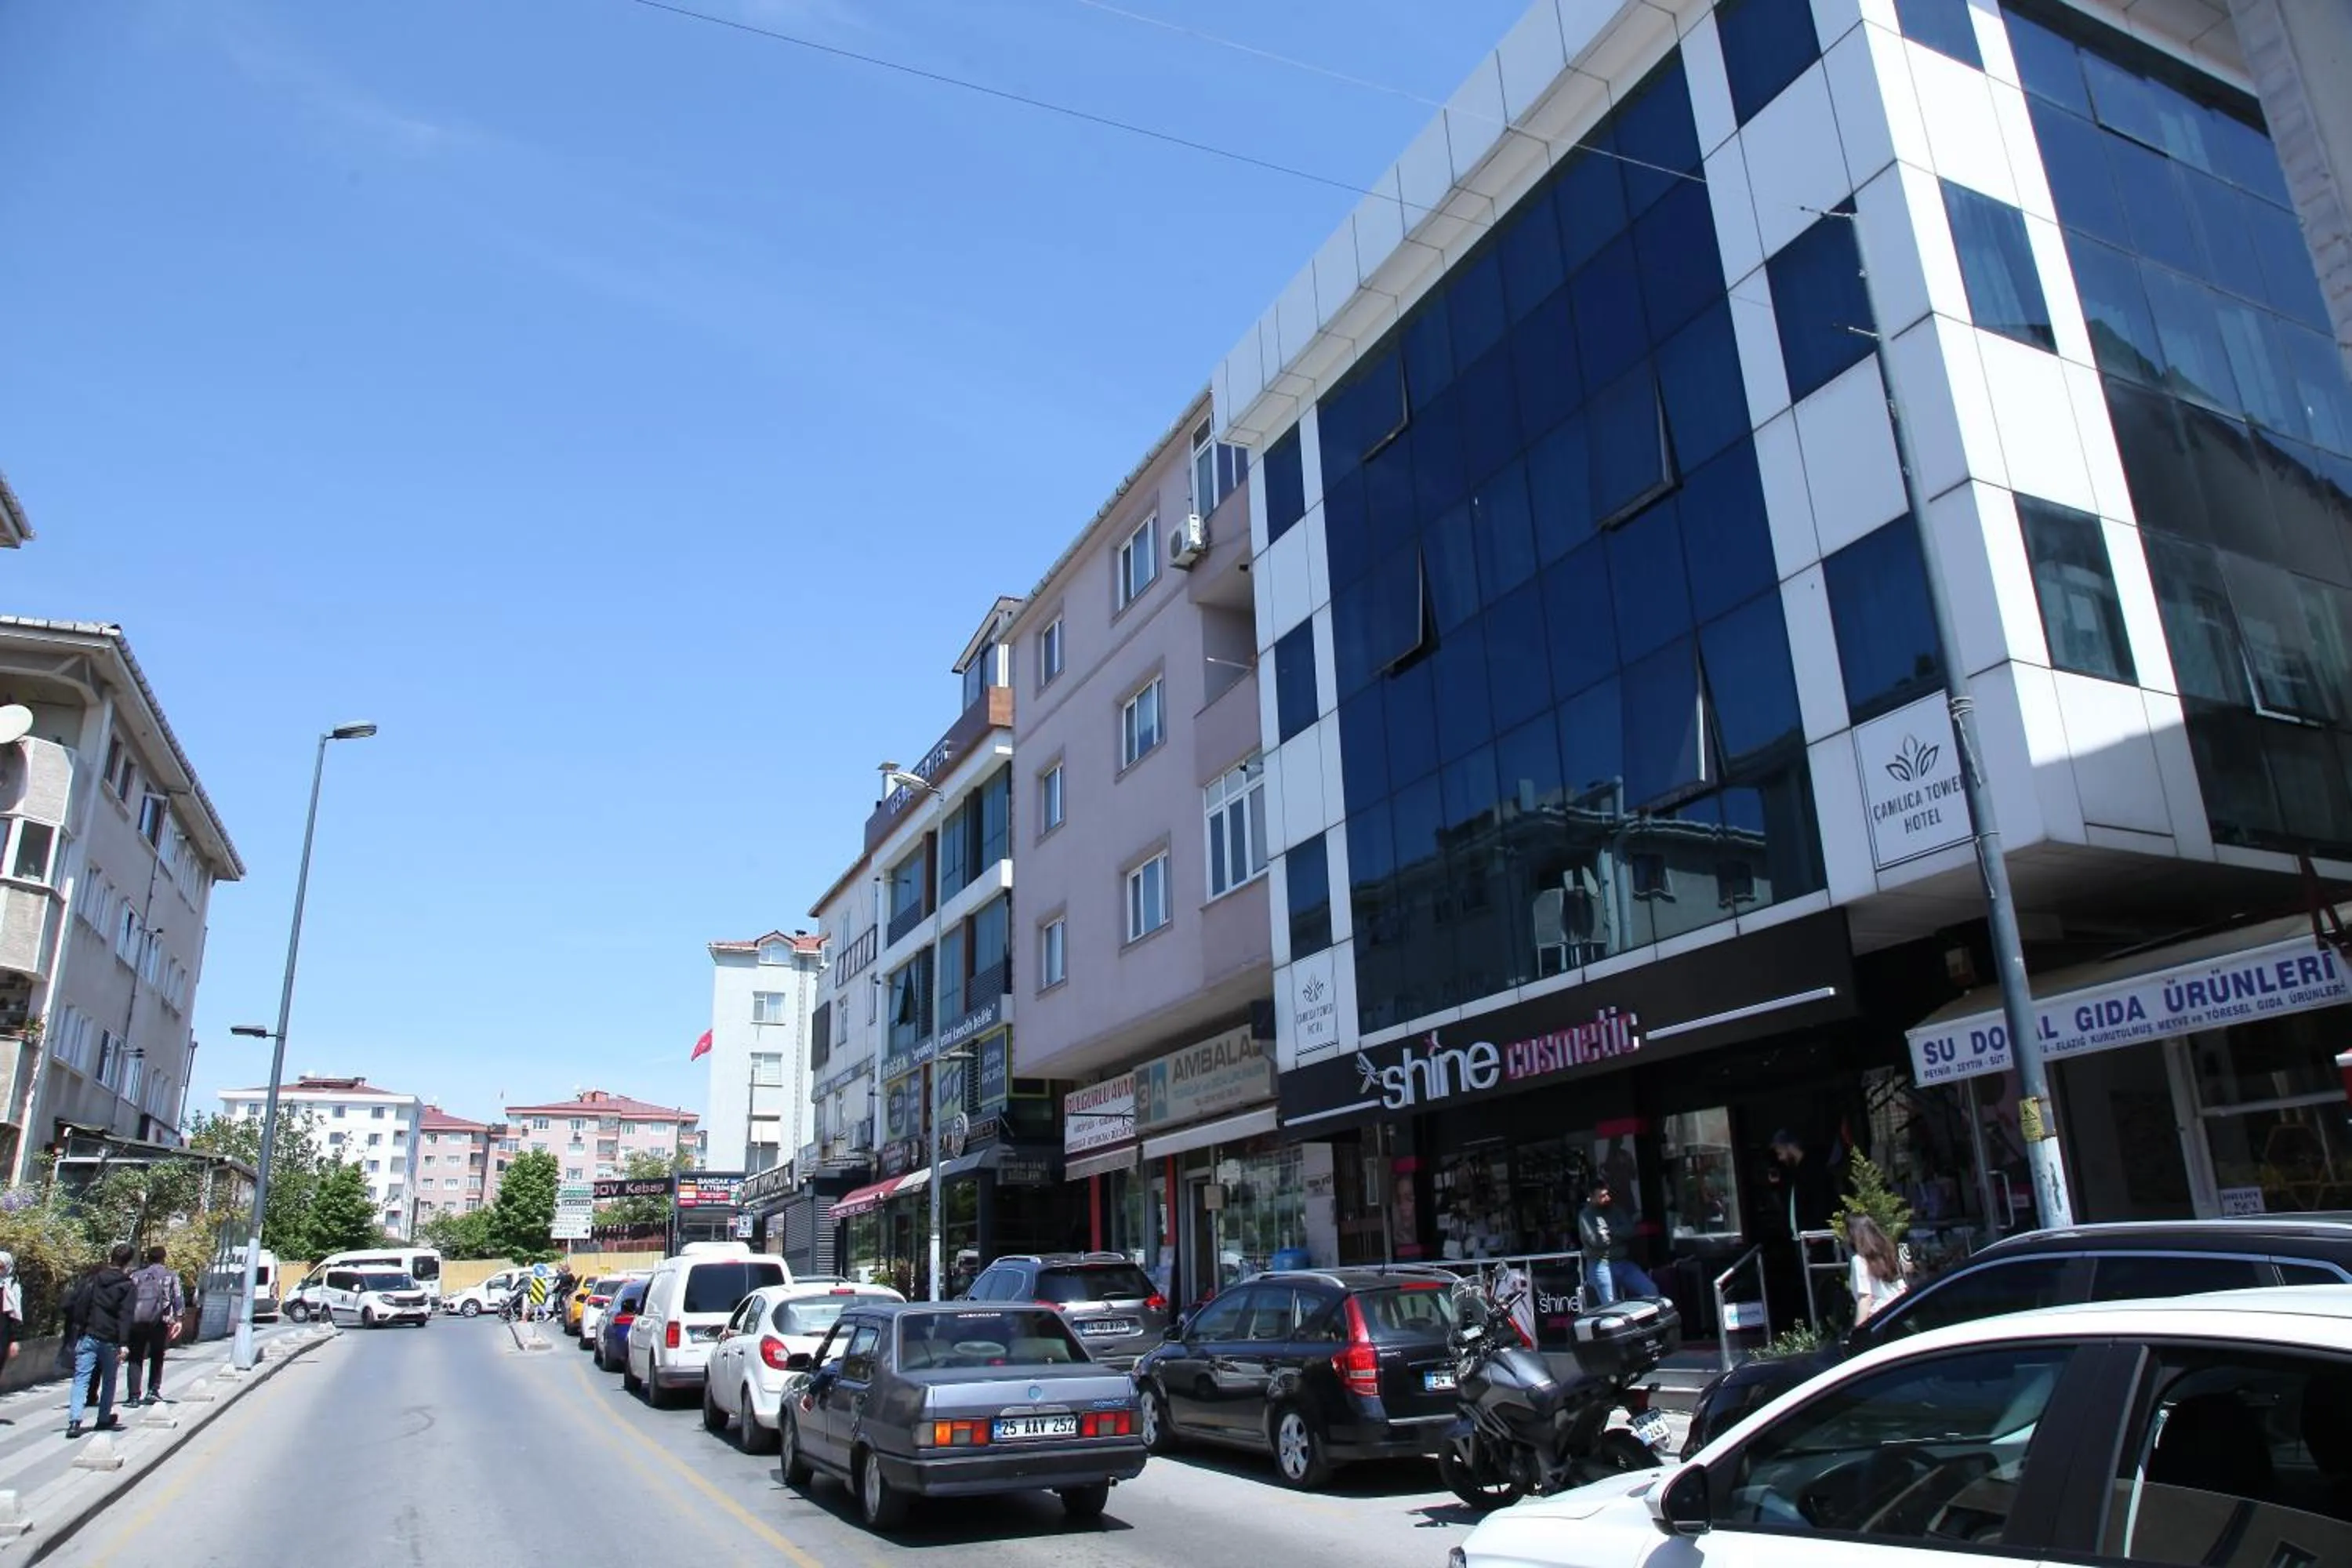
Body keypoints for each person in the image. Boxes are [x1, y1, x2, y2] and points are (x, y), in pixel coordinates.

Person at [64, 1243, 136, 1439]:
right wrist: (124, 1343)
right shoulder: (128, 1286)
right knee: (109, 1379)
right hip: (111, 1339)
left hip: (89, 1334)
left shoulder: (95, 1279)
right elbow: (126, 1316)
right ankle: (103, 1418)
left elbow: (82, 1304)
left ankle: (74, 1421)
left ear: (111, 1258)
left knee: (81, 1379)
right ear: (128, 1262)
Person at [1577, 1178, 1657, 1307]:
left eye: (1607, 1194)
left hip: (1622, 1262)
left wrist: (1609, 1231)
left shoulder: (1615, 1210)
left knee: (1651, 1290)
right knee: (1612, 1306)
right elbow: (1597, 1241)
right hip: (1600, 1264)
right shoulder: (1586, 1216)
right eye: (1602, 1196)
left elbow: (1631, 1230)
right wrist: (1618, 1234)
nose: (1607, 1198)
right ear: (1591, 1197)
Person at [125, 1244, 182, 1405]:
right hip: (161, 1321)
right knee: (157, 1355)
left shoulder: (136, 1276)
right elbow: (177, 1297)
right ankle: (153, 1390)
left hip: (138, 1321)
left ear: (148, 1258)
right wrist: (179, 1319)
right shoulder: (170, 1275)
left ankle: (133, 1396)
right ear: (164, 1258)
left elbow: (127, 1298)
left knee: (135, 1357)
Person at [1846, 1214, 1907, 1328]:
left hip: (1878, 1319)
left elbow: (1865, 1298)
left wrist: (1858, 1330)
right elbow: (1901, 1287)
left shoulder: (1859, 1260)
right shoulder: (1887, 1253)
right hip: (1898, 1313)